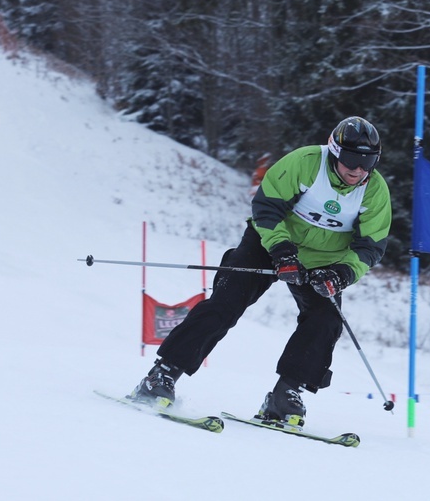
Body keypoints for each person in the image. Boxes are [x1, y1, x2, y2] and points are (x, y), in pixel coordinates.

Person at [130, 116, 392, 429]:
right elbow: (267, 208)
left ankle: (285, 395)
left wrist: (342, 274)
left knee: (326, 320)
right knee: (226, 303)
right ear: (335, 152)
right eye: (351, 160)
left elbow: (370, 247)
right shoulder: (305, 163)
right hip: (272, 243)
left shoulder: (374, 191)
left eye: (367, 163)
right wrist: (281, 251)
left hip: (325, 259)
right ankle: (163, 374)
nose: (358, 170)